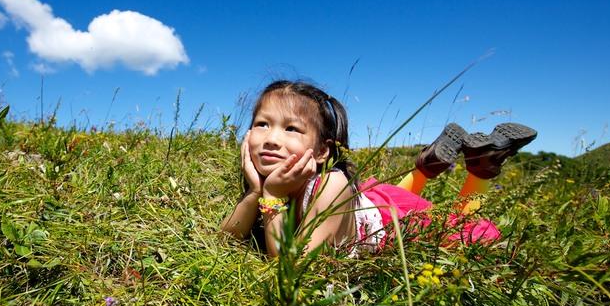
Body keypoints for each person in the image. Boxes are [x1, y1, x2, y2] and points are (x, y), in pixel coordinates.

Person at [220, 80, 537, 257]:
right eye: (262, 124)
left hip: (394, 222)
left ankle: (481, 169)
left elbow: (295, 269)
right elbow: (226, 241)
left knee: (458, 228)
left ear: (321, 152)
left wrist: (272, 197)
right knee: (396, 196)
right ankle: (427, 166)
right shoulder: (271, 180)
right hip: (375, 200)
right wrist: (255, 194)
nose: (271, 138)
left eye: (291, 129)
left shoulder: (330, 186)